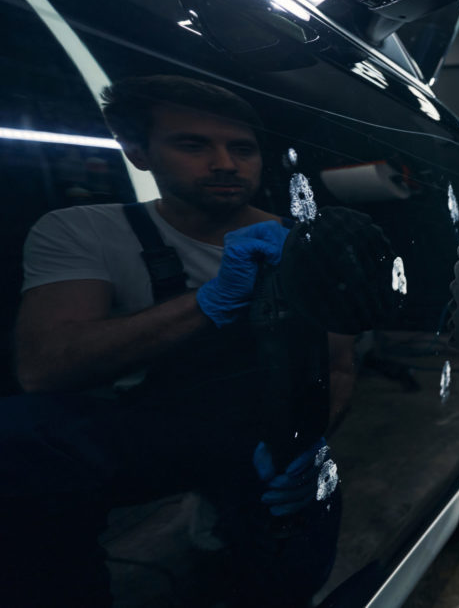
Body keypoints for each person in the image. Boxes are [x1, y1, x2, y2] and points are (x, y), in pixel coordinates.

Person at [1, 75, 388, 605]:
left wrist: (307, 449)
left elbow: (337, 368)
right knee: (23, 438)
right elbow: (43, 368)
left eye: (242, 148)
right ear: (139, 153)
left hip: (262, 434)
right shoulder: (84, 231)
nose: (225, 163)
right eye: (193, 144)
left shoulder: (306, 243)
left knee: (293, 560)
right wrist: (212, 298)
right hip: (139, 429)